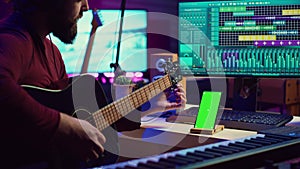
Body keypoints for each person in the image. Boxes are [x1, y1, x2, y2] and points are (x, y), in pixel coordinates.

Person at [0, 0, 186, 168]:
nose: (86, 7)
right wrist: (62, 124)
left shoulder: (52, 52)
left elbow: (87, 122)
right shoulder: (13, 40)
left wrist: (149, 107)